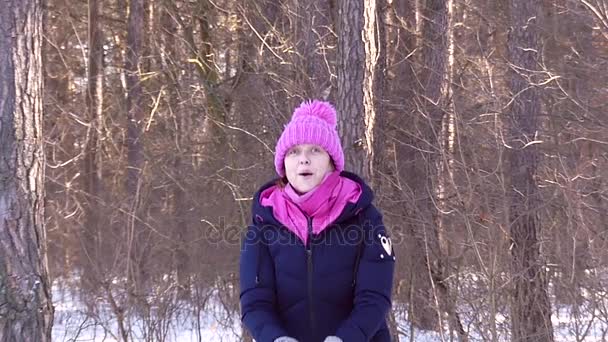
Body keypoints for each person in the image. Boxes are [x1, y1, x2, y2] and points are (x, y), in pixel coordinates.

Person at [239, 100, 395, 342]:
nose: (304, 159)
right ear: (283, 164)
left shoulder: (365, 218)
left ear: (332, 161)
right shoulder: (263, 221)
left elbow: (375, 297)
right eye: (294, 151)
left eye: (315, 150)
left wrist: (345, 338)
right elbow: (255, 301)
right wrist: (274, 338)